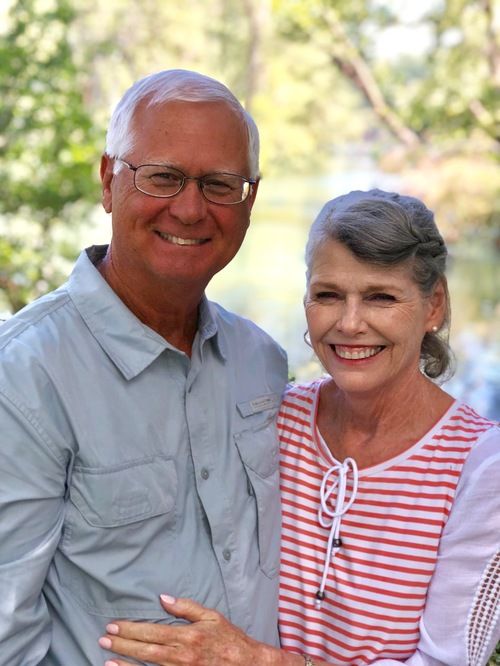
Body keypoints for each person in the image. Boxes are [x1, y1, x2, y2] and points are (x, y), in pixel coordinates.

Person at [99, 189, 500, 666]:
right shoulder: (272, 419)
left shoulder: (481, 467)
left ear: (434, 305)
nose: (350, 323)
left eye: (381, 297)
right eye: (328, 295)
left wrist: (263, 662)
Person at [0, 69, 288, 664]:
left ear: (250, 200)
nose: (190, 209)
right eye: (163, 177)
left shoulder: (260, 360)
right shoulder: (24, 374)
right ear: (109, 181)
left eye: (219, 184)